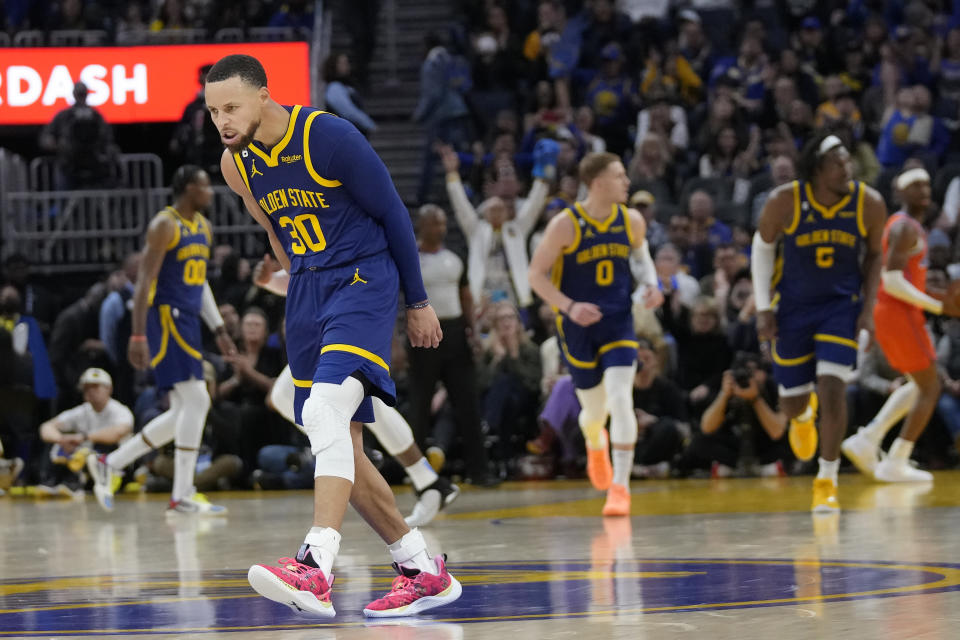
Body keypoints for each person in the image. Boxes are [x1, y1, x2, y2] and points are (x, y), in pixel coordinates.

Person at [206, 54, 461, 618]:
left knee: (323, 411)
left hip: (363, 276)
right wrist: (290, 275)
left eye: (231, 107)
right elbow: (275, 230)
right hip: (307, 292)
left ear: (264, 97)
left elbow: (394, 213)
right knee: (342, 445)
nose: (221, 120)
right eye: (213, 111)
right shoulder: (236, 164)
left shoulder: (327, 136)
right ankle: (421, 570)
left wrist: (417, 302)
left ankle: (314, 564)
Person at [251, 254, 462, 527]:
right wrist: (270, 281)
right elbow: (304, 281)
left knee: (365, 401)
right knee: (288, 396)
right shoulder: (314, 228)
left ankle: (423, 480)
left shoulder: (348, 227)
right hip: (327, 321)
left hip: (350, 319)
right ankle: (427, 481)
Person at [87, 165, 237, 515]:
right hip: (165, 318)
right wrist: (138, 334)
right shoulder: (164, 225)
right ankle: (181, 493)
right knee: (197, 401)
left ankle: (112, 462)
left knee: (186, 409)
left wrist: (218, 328)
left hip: (189, 321)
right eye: (204, 186)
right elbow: (142, 284)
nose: (211, 192)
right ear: (187, 188)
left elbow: (200, 285)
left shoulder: (204, 227)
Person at [751, 133, 886, 512]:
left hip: (840, 306)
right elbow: (762, 247)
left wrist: (868, 310)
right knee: (793, 404)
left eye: (849, 162)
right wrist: (763, 307)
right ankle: (802, 415)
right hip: (792, 309)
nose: (848, 169)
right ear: (816, 169)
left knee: (832, 387)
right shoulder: (786, 200)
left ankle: (826, 478)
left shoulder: (868, 203)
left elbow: (875, 256)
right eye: (838, 163)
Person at [528, 151, 663, 516]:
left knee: (621, 398)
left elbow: (640, 256)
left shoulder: (631, 220)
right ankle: (594, 442)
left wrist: (652, 283)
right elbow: (535, 276)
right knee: (594, 412)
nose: (627, 182)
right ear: (599, 182)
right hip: (577, 325)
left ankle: (620, 488)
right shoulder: (566, 224)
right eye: (620, 176)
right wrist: (570, 306)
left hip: (618, 320)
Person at [842, 168, 960, 482]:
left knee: (917, 383)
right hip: (897, 311)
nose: (923, 188)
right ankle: (897, 458)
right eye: (914, 185)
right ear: (900, 193)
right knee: (931, 385)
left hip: (893, 311)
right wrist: (938, 305)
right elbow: (891, 281)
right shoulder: (904, 227)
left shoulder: (908, 226)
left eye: (925, 183)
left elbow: (905, 279)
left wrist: (935, 296)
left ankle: (868, 438)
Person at [39, 368, 133, 497]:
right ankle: (54, 482)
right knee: (59, 442)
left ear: (109, 389)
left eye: (96, 387)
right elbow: (46, 427)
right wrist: (61, 440)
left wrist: (83, 437)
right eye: (87, 387)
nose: (91, 391)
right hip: (87, 463)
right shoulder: (82, 411)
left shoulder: (120, 411)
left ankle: (80, 481)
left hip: (117, 469)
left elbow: (118, 433)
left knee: (99, 445)